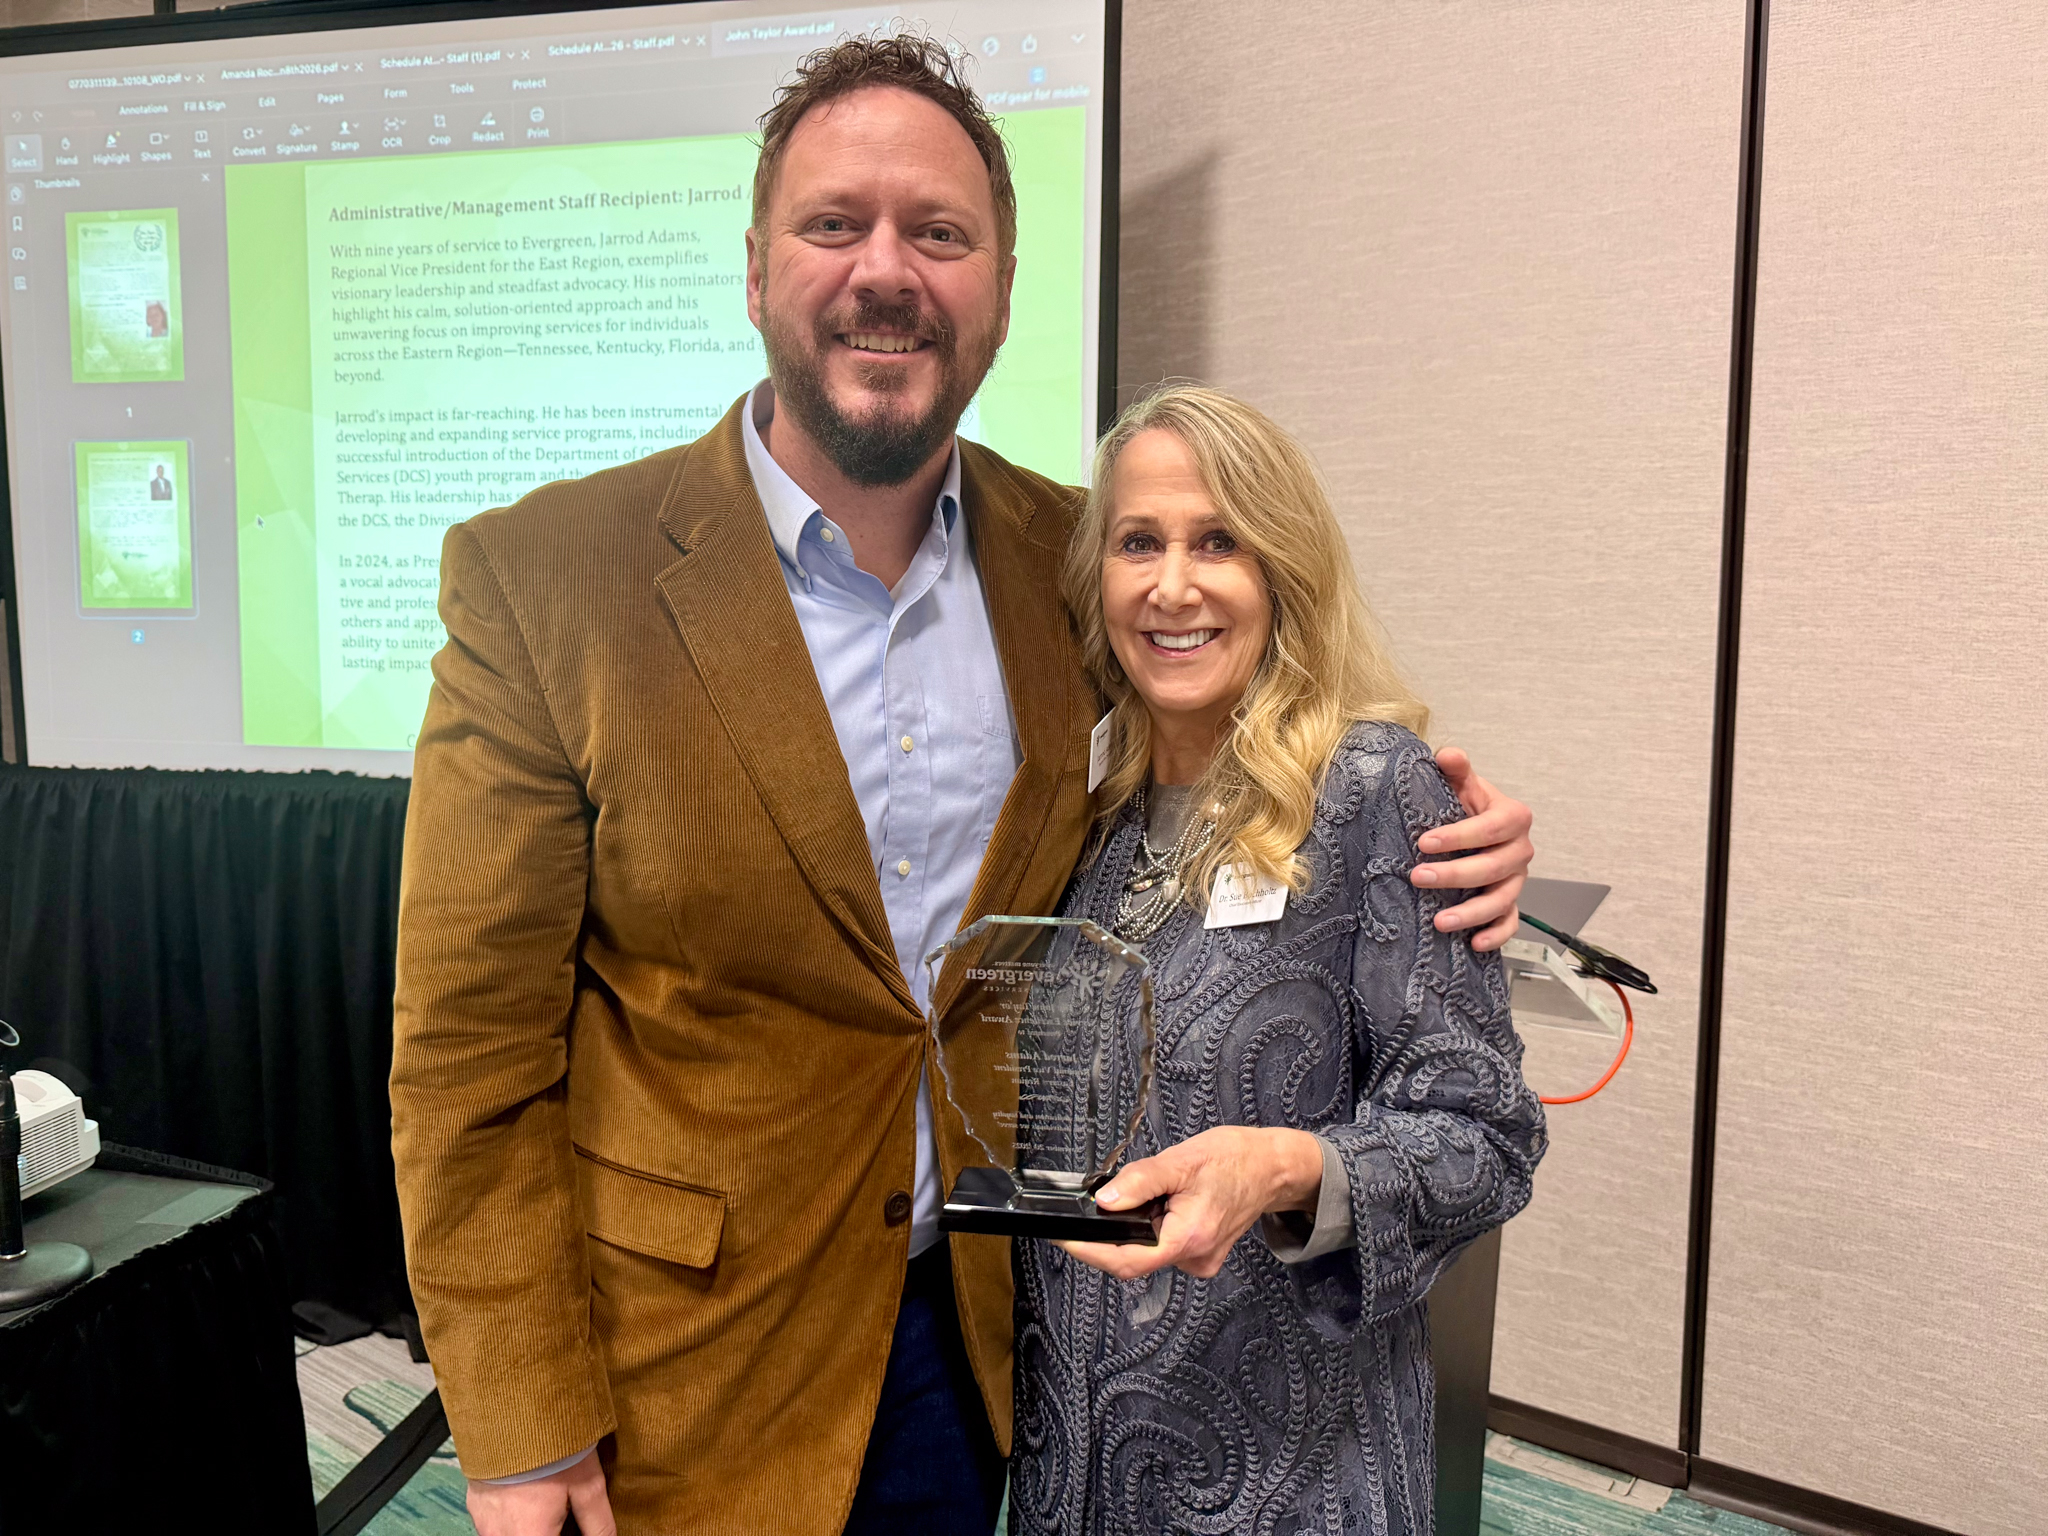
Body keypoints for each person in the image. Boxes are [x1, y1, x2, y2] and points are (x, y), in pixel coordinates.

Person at [389, 35, 1536, 1536]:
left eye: (939, 232)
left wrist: (1456, 824)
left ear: (997, 289)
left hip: (993, 1345)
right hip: (684, 1373)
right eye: (833, 224)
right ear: (754, 271)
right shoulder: (548, 578)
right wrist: (524, 1431)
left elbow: (1267, 707)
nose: (887, 271)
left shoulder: (1072, 556)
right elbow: (466, 1059)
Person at [1009, 385, 1547, 1536]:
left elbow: (1486, 1136)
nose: (1171, 586)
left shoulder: (1369, 794)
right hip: (1075, 1476)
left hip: (1292, 1474)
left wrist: (1290, 1167)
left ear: (1281, 573)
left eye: (1219, 543)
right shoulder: (1077, 817)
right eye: (1137, 543)